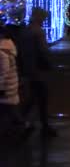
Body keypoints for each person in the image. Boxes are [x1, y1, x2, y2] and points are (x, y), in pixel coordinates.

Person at [19, 7, 57, 137]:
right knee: (40, 98)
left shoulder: (26, 31)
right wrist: (50, 64)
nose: (44, 20)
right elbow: (43, 51)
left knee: (34, 97)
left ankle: (27, 122)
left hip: (29, 69)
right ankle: (23, 122)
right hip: (38, 70)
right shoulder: (38, 32)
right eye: (43, 18)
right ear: (39, 17)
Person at [0, 26, 23, 136]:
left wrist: (1, 87)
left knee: (9, 109)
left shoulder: (2, 52)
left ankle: (20, 127)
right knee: (10, 109)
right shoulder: (10, 47)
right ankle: (20, 127)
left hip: (6, 86)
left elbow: (4, 72)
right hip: (11, 84)